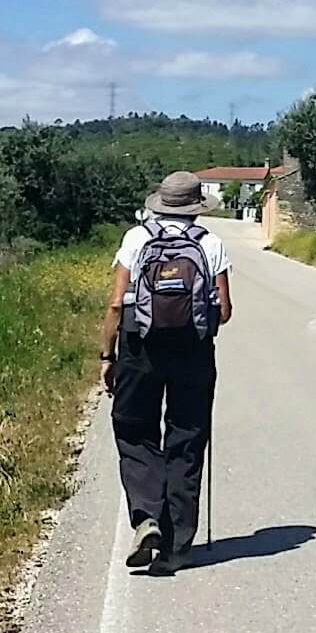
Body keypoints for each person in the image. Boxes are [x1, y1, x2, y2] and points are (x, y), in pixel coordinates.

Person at [100, 171, 233, 575]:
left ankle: (147, 518)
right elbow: (224, 310)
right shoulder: (211, 244)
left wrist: (108, 355)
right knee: (187, 438)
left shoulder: (136, 239)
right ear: (196, 206)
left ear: (161, 202)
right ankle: (176, 548)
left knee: (134, 429)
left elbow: (115, 304)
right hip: (193, 351)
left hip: (139, 347)